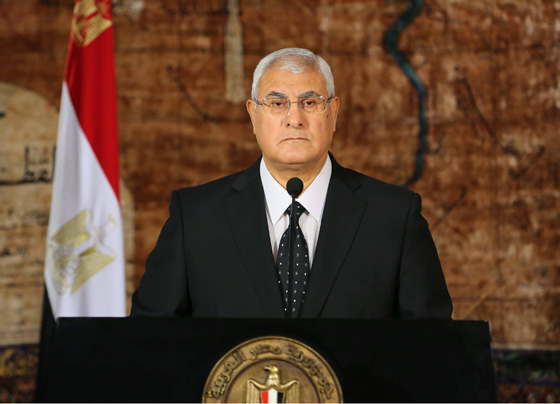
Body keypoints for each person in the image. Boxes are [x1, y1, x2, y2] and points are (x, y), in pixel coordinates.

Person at [131, 48, 452, 319]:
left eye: (310, 102)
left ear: (334, 112)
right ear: (253, 115)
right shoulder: (196, 217)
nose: (295, 118)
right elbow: (150, 341)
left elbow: (432, 346)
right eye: (277, 103)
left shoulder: (394, 217)